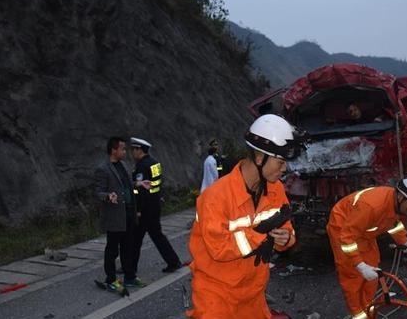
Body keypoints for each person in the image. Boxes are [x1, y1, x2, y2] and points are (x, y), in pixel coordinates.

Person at [187, 114, 298, 319]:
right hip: (216, 294)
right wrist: (261, 235)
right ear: (259, 157)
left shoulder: (276, 190)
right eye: (280, 162)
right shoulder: (215, 197)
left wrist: (285, 239)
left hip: (254, 292)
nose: (284, 169)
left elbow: (287, 230)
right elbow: (219, 249)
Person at [326, 175, 407, 319]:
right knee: (353, 276)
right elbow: (347, 238)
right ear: (401, 197)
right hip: (343, 228)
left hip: (364, 231)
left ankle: (369, 309)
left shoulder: (395, 203)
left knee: (373, 273)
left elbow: (392, 223)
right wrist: (360, 265)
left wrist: (403, 240)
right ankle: (358, 315)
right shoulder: (371, 206)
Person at [94, 136, 144, 292]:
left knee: (127, 247)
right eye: (122, 148)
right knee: (112, 249)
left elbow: (127, 186)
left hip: (128, 213)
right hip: (115, 216)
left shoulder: (124, 165)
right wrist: (108, 196)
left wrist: (139, 183)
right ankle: (110, 279)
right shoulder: (103, 169)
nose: (125, 151)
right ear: (113, 150)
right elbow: (98, 193)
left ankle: (129, 276)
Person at [130, 137, 183, 274]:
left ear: (139, 150)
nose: (132, 153)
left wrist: (138, 209)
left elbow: (141, 190)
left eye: (133, 150)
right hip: (154, 205)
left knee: (137, 238)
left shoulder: (142, 166)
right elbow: (157, 183)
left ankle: (129, 267)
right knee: (155, 235)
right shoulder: (154, 163)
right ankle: (173, 261)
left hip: (145, 208)